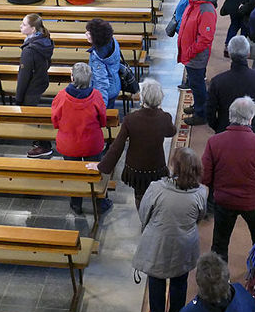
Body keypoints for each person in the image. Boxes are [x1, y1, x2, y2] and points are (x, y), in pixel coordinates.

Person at [134, 147, 208, 312]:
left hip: (158, 243)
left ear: (174, 168)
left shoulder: (156, 188)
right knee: (179, 281)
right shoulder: (202, 192)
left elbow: (144, 214)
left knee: (156, 280)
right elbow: (200, 217)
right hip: (184, 244)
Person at [202, 96, 255, 261]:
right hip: (252, 203)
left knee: (219, 246)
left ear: (230, 116)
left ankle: (219, 282)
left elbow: (204, 176)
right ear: (251, 118)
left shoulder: (214, 142)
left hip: (223, 202)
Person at [93, 79, 176, 208]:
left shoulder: (130, 119)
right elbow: (171, 132)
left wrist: (102, 166)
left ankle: (142, 217)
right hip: (156, 165)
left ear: (142, 98)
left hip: (136, 168)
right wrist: (160, 111)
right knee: (156, 193)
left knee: (139, 195)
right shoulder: (164, 117)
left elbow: (117, 147)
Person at [51, 62, 112, 215]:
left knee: (74, 174)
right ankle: (100, 202)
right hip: (91, 142)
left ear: (72, 77)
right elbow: (103, 120)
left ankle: (76, 203)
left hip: (69, 144)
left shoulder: (61, 96)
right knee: (95, 171)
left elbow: (55, 120)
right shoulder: (96, 96)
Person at [206, 36, 255, 135]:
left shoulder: (217, 81)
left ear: (229, 53)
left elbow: (209, 111)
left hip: (225, 128)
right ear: (248, 53)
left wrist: (218, 127)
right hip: (252, 128)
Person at [177, 0, 216, 127]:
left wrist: (190, 52)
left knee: (198, 85)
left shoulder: (206, 9)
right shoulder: (193, 4)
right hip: (189, 54)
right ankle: (198, 105)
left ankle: (201, 113)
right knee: (194, 84)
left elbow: (205, 39)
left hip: (196, 56)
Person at [16, 13, 55, 158]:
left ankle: (43, 145)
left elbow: (23, 77)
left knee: (33, 115)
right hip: (40, 81)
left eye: (24, 24)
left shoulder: (29, 50)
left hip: (31, 88)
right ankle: (41, 141)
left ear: (33, 29)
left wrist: (18, 98)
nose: (21, 26)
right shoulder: (43, 41)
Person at [85, 18, 122, 109]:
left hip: (107, 92)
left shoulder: (97, 58)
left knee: (106, 114)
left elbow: (101, 84)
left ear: (96, 37)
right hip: (115, 84)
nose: (86, 34)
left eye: (89, 33)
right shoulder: (112, 41)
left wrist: (101, 108)